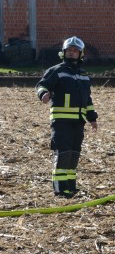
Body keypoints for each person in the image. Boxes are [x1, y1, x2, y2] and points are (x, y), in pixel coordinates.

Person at [36, 36, 98, 197]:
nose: (72, 53)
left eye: (75, 51)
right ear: (63, 52)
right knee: (63, 153)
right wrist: (43, 94)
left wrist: (92, 118)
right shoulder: (57, 71)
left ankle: (70, 186)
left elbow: (87, 99)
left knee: (74, 153)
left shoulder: (83, 75)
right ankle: (60, 189)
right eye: (69, 50)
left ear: (81, 54)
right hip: (61, 121)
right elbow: (42, 85)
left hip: (78, 122)